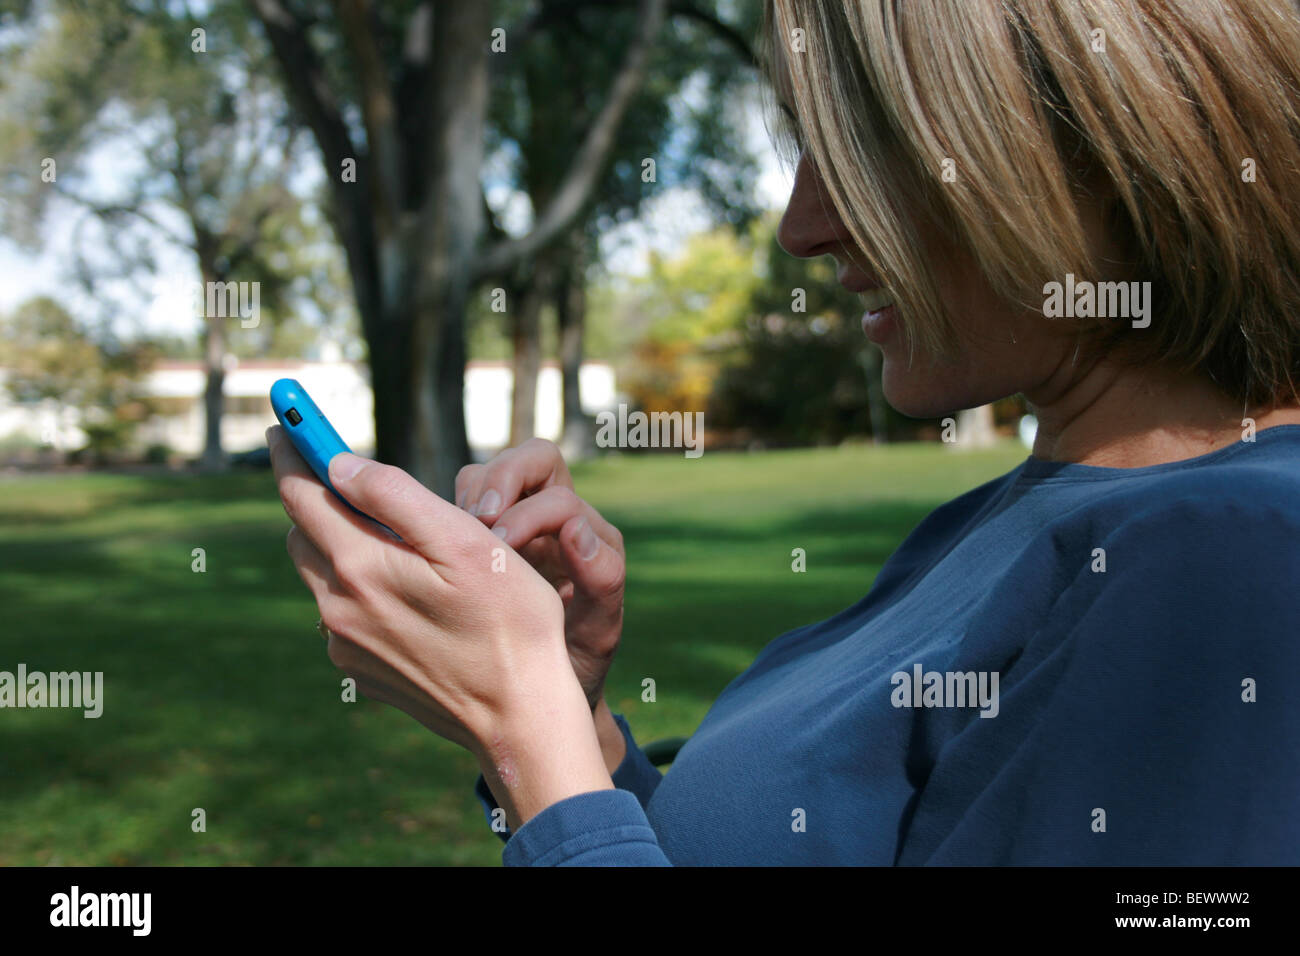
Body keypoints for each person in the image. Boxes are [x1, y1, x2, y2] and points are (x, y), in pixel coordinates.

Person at [269, 0, 1300, 865]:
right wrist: (572, 720)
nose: (800, 226)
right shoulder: (1009, 517)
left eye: (865, 150)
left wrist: (525, 735)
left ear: (1099, 146)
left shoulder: (1229, 558)